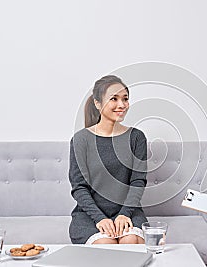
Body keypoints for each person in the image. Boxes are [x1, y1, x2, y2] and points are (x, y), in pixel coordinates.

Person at [69, 75, 148, 245]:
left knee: (130, 240)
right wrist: (100, 219)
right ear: (98, 104)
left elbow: (138, 182)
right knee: (106, 244)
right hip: (90, 215)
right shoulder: (81, 140)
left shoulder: (136, 137)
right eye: (114, 99)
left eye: (125, 99)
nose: (122, 105)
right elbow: (79, 187)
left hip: (128, 212)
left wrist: (124, 214)